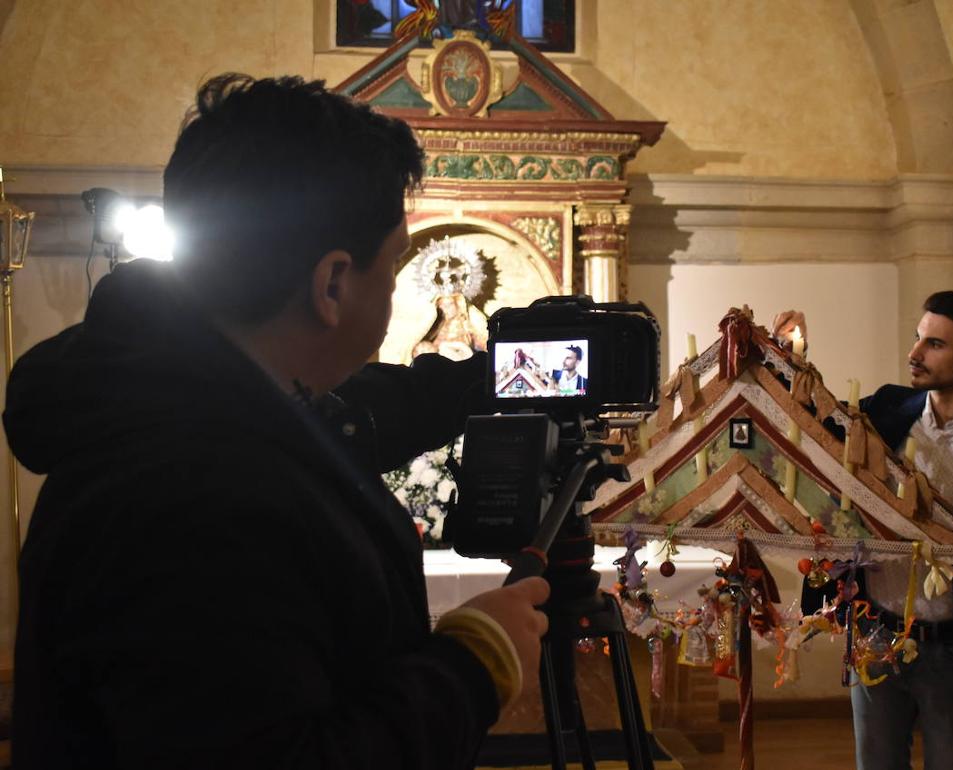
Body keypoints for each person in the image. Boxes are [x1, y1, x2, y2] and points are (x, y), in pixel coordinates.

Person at [4, 74, 549, 769]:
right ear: (331, 284)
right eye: (393, 263)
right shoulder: (199, 494)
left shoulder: (184, 394)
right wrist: (474, 665)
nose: (393, 285)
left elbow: (369, 412)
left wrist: (499, 373)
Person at [792, 292, 953, 770]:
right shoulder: (884, 410)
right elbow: (810, 426)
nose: (914, 354)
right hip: (875, 635)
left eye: (934, 344)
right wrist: (794, 358)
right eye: (918, 338)